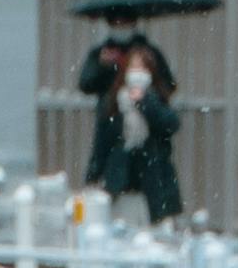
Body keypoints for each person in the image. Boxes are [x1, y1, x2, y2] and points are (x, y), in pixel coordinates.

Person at [77, 24, 186, 226]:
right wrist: (94, 175)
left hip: (154, 177)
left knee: (155, 230)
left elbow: (170, 124)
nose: (137, 74)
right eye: (133, 68)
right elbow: (103, 140)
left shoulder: (155, 98)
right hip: (121, 176)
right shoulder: (113, 101)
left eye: (142, 68)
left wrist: (145, 102)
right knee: (122, 225)